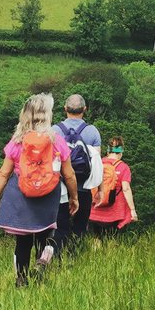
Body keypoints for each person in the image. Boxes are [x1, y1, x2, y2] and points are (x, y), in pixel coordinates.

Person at [0, 93, 79, 287]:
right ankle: (41, 265)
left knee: (22, 242)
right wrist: (74, 197)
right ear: (47, 115)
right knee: (45, 235)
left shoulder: (17, 142)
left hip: (20, 194)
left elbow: (4, 174)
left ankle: (21, 279)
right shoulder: (57, 141)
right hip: (48, 195)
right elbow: (70, 175)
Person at [52, 93, 102, 257]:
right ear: (85, 109)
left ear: (65, 109)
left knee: (60, 228)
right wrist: (99, 189)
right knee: (80, 227)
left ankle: (57, 259)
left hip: (59, 189)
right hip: (83, 188)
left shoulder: (55, 130)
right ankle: (74, 259)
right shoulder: (92, 132)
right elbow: (96, 165)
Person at [86, 135, 137, 237]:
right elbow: (126, 188)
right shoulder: (123, 167)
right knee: (112, 240)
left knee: (96, 239)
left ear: (108, 151)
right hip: (114, 213)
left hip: (95, 210)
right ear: (121, 152)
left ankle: (96, 253)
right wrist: (132, 210)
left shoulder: (97, 163)